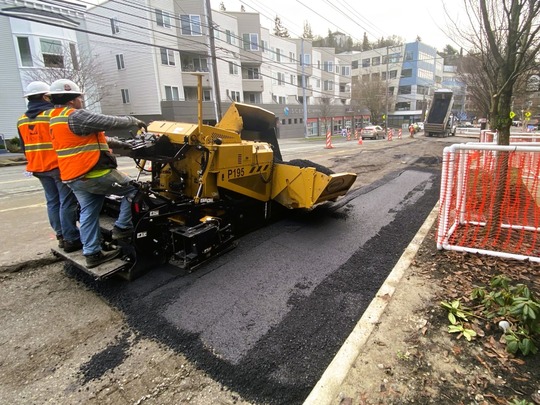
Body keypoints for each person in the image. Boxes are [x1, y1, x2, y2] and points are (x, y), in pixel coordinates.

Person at [48, 79, 147, 268]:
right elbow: (108, 121)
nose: (81, 101)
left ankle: (92, 253)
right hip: (92, 172)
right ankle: (122, 228)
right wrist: (133, 121)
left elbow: (100, 138)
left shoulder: (56, 118)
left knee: (89, 212)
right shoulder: (75, 116)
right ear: (71, 100)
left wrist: (125, 144)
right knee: (134, 190)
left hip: (73, 176)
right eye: (79, 98)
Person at [17, 81, 81, 252]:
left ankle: (60, 235)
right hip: (58, 165)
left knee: (52, 202)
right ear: (45, 96)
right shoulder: (53, 115)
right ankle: (71, 238)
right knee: (66, 201)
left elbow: (24, 146)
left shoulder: (22, 120)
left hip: (38, 167)